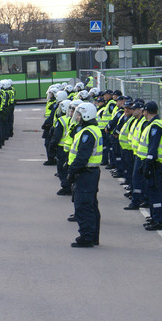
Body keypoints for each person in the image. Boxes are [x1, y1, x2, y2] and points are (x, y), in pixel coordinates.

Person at [67, 102, 103, 247]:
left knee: (83, 206)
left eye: (79, 115)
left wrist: (71, 172)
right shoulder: (93, 129)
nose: (77, 117)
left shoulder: (87, 133)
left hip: (86, 173)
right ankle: (93, 236)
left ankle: (87, 237)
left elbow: (82, 156)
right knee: (91, 205)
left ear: (86, 115)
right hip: (90, 172)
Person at [140, 101, 162, 231]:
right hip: (154, 162)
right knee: (152, 191)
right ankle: (155, 217)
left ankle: (158, 221)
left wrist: (148, 162)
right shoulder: (157, 123)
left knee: (155, 192)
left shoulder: (155, 126)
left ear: (146, 111)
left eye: (144, 111)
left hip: (154, 164)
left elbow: (153, 146)